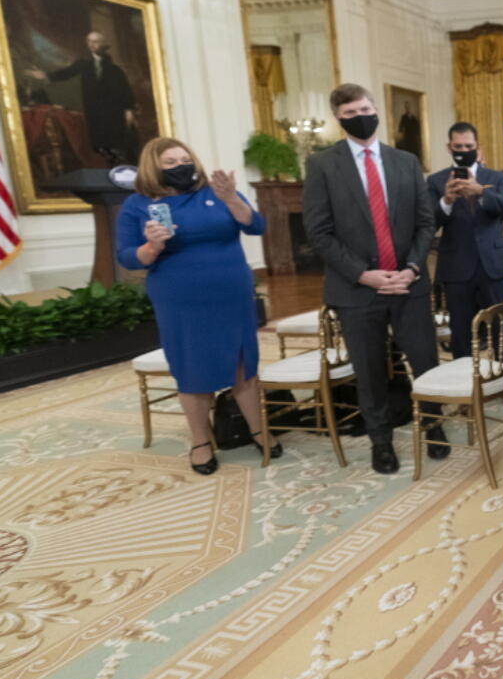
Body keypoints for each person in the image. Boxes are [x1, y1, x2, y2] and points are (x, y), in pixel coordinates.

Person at [303, 83, 449, 476]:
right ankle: (380, 441)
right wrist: (363, 274)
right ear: (339, 118)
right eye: (350, 113)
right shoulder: (322, 165)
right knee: (368, 371)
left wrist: (413, 268)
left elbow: (425, 221)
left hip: (408, 283)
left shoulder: (404, 161)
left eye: (365, 108)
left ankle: (433, 425)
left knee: (424, 361)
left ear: (377, 109)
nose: (360, 117)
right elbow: (318, 232)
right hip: (356, 289)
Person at [115, 138, 271, 474]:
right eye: (170, 162)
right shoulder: (137, 204)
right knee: (193, 365)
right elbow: (128, 257)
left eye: (185, 159)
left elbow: (255, 225)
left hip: (231, 292)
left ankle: (258, 430)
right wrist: (152, 245)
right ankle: (201, 441)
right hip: (180, 298)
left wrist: (231, 198)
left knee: (242, 361)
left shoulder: (217, 191)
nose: (180, 166)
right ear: (153, 168)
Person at [427, 122, 503, 358]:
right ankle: (466, 386)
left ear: (477, 147)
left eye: (468, 146)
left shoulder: (494, 177)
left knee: (500, 327)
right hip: (456, 266)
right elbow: (429, 223)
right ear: (449, 147)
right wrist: (446, 200)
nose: (463, 150)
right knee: (461, 332)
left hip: (493, 264)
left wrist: (481, 192)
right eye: (458, 146)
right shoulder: (436, 181)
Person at [26, 31, 137, 163]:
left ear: (104, 44)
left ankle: (118, 164)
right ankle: (107, 164)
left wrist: (129, 109)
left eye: (95, 41)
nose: (92, 44)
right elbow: (66, 73)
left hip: (114, 111)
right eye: (89, 41)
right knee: (98, 142)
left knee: (117, 141)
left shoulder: (115, 70)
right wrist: (45, 76)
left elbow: (125, 90)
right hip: (94, 109)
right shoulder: (83, 64)